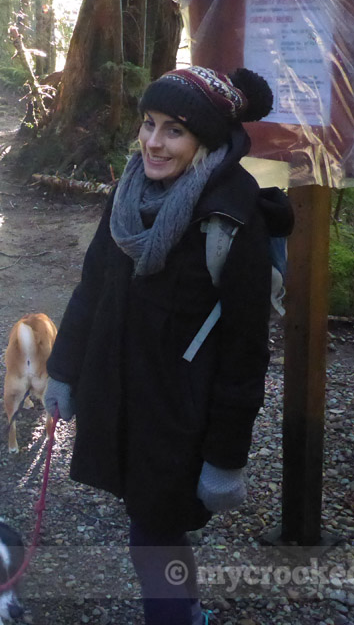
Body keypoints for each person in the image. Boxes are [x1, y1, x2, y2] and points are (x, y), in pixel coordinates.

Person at [44, 66, 294, 625]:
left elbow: (245, 352)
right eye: (149, 124)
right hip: (122, 392)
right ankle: (188, 611)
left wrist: (225, 458)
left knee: (152, 529)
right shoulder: (128, 193)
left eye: (174, 130)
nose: (153, 143)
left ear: (205, 139)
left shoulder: (231, 216)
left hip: (181, 413)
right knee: (152, 523)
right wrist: (64, 371)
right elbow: (93, 288)